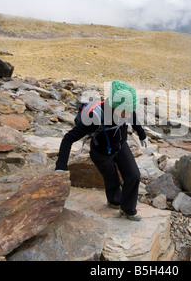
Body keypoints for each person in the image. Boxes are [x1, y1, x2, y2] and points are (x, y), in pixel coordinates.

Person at [55, 80, 148, 221]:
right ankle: (115, 201)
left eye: (129, 110)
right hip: (101, 152)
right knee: (112, 179)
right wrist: (60, 167)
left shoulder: (126, 109)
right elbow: (68, 139)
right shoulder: (95, 117)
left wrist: (142, 134)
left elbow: (133, 117)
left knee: (134, 175)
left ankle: (128, 210)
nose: (127, 114)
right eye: (124, 112)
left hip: (120, 145)